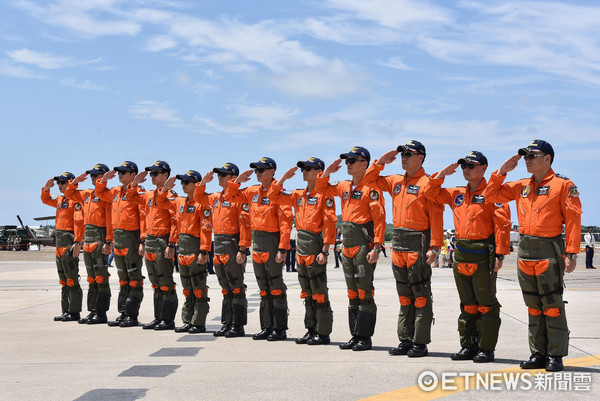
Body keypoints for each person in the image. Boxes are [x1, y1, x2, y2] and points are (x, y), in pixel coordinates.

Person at [484, 140, 582, 372]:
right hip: (525, 251)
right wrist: (501, 171)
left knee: (552, 304)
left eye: (532, 156)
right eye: (525, 156)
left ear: (547, 159)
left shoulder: (563, 185)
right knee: (533, 305)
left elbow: (574, 219)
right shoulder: (521, 186)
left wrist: (572, 253)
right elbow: (490, 195)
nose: (527, 160)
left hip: (549, 249)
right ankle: (538, 353)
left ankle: (555, 355)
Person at [424, 151, 511, 363]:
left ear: (483, 168)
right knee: (467, 304)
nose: (466, 169)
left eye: (471, 166)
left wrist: (500, 252)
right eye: (464, 166)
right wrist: (442, 174)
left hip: (483, 252)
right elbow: (430, 192)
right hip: (461, 253)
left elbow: (502, 224)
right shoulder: (456, 193)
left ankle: (486, 349)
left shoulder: (493, 193)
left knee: (486, 304)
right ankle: (468, 346)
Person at [363, 140, 442, 358]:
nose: (404, 157)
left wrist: (435, 247)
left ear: (421, 157)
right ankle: (405, 339)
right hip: (398, 244)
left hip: (418, 243)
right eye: (402, 154)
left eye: (409, 154)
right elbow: (368, 180)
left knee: (421, 295)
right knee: (404, 296)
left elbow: (436, 216)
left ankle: (420, 342)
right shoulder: (395, 181)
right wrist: (380, 163)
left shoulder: (428, 183)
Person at [315, 146, 386, 351]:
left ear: (364, 164)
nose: (348, 164)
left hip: (363, 246)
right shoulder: (344, 186)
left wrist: (377, 247)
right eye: (347, 161)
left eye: (352, 161)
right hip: (347, 247)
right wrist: (327, 172)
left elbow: (379, 219)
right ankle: (354, 335)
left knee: (364, 292)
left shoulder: (372, 189)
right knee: (352, 293)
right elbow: (321, 189)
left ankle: (365, 337)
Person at [268, 157, 337, 345]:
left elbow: (330, 224)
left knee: (319, 292)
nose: (304, 171)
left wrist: (325, 250)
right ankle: (311, 329)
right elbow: (273, 196)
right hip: (301, 249)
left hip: (315, 247)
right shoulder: (298, 194)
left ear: (319, 172)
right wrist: (282, 180)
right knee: (306, 292)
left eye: (309, 168)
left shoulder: (325, 195)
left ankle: (322, 333)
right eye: (303, 168)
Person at [224, 157, 293, 341]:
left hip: (272, 241)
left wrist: (283, 248)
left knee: (276, 287)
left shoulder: (279, 193)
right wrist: (237, 181)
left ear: (272, 172)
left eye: (261, 170)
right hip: (258, 242)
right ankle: (266, 326)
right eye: (256, 170)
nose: (257, 173)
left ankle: (279, 328)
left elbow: (286, 223)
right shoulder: (252, 191)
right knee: (263, 288)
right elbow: (229, 196)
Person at [194, 162, 251, 338]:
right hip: (218, 243)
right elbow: (198, 197)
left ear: (232, 177)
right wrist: (203, 182)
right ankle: (227, 323)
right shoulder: (216, 197)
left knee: (236, 286)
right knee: (225, 287)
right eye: (219, 174)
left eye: (223, 175)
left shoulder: (239, 199)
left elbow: (245, 225)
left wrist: (242, 249)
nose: (219, 177)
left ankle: (238, 325)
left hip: (232, 243)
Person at [157, 170, 213, 333]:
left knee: (198, 287)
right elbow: (161, 203)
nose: (183, 185)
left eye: (186, 182)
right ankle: (188, 320)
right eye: (182, 182)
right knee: (187, 288)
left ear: (196, 184)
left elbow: (206, 229)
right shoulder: (179, 202)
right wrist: (165, 189)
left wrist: (204, 251)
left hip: (195, 247)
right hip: (182, 248)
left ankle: (198, 322)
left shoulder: (202, 203)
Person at [127, 161, 179, 331]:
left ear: (165, 175)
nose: (152, 177)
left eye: (155, 174)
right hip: (150, 239)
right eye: (151, 174)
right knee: (155, 282)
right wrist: (135, 183)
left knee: (165, 282)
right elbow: (130, 197)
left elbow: (175, 221)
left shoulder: (172, 196)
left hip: (163, 240)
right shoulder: (149, 195)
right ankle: (158, 317)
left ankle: (167, 319)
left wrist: (171, 244)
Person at [95, 161, 145, 327]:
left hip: (132, 237)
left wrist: (142, 241)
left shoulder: (138, 192)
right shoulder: (116, 192)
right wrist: (104, 180)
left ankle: (132, 314)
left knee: (133, 277)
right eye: (119, 172)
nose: (120, 175)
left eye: (124, 172)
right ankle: (123, 312)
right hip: (118, 237)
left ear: (133, 175)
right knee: (123, 277)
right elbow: (100, 193)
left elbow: (143, 216)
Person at [65, 164, 113, 324]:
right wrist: (75, 181)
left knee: (101, 277)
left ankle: (101, 313)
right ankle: (92, 310)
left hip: (100, 237)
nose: (93, 178)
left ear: (104, 177)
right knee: (91, 278)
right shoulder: (85, 194)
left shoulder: (107, 196)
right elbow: (69, 193)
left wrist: (108, 241)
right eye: (92, 176)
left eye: (96, 175)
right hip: (88, 239)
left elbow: (109, 220)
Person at [41, 172, 84, 322]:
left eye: (63, 183)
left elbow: (79, 222)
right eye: (58, 183)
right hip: (59, 243)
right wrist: (46, 188)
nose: (59, 185)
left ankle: (74, 311)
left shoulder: (75, 200)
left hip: (69, 241)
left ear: (70, 183)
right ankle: (66, 310)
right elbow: (45, 199)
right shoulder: (60, 199)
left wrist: (78, 242)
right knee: (63, 280)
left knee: (72, 279)